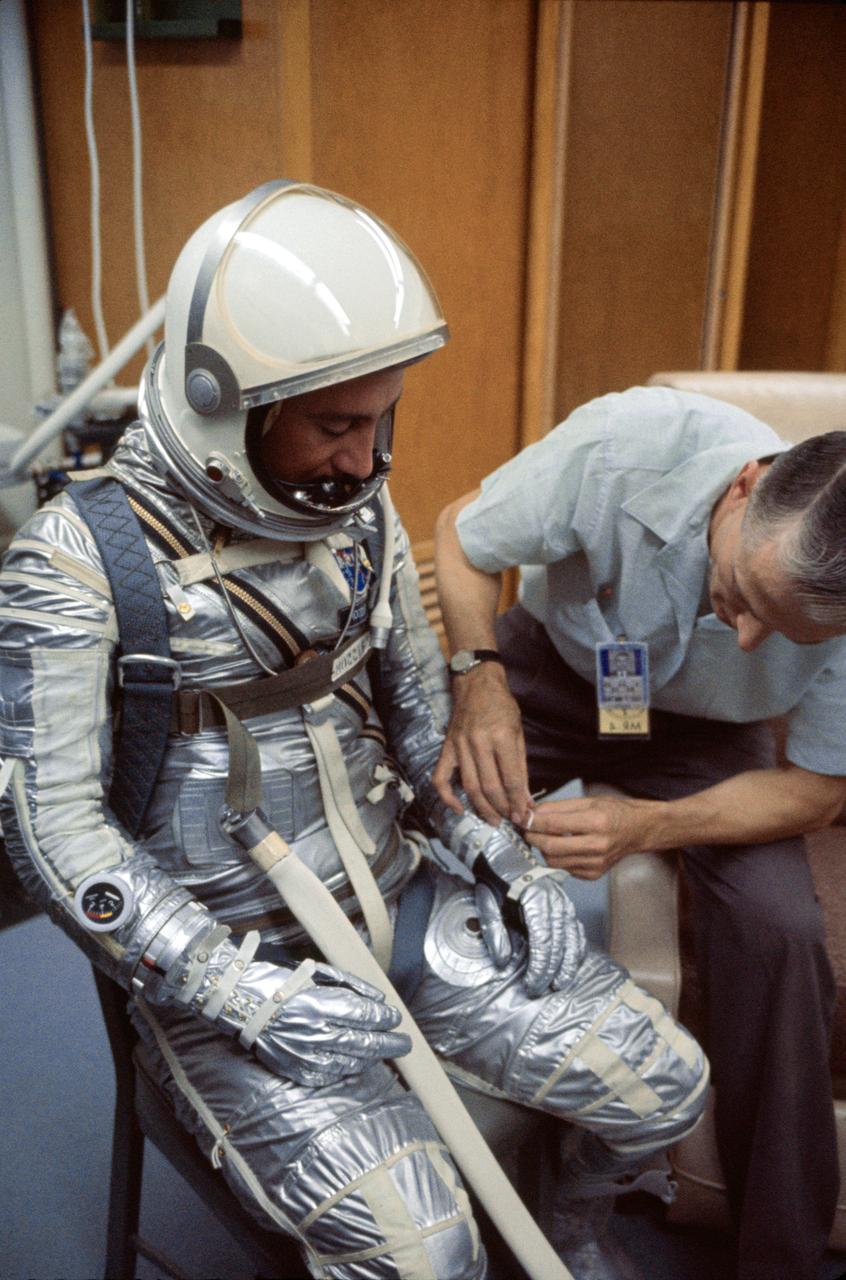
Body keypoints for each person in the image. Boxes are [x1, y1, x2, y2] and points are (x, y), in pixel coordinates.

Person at [0, 185, 707, 1280]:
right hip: (230, 959)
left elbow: (421, 719)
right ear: (223, 403)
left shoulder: (360, 519)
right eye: (336, 426)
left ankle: (568, 1230)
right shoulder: (74, 562)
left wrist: (501, 856)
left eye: (382, 421)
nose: (366, 460)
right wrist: (239, 992)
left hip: (404, 897)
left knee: (665, 1083)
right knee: (428, 1254)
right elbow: (56, 834)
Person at [432, 384, 846, 1280]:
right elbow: (461, 540)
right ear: (745, 487)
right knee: (410, 808)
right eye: (739, 594)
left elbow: (815, 792)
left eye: (782, 632)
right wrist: (479, 681)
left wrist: (651, 825)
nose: (742, 637)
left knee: (786, 932)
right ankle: (408, 1151)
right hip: (553, 673)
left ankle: (783, 1256)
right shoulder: (626, 446)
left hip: (708, 735)